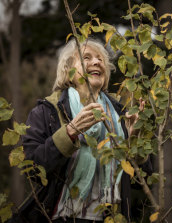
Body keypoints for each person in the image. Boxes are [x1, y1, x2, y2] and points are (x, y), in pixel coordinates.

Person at [13, 38, 150, 223]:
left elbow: (143, 182)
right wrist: (70, 132)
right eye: (86, 57)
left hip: (111, 218)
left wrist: (134, 144)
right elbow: (33, 169)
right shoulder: (47, 112)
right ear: (68, 72)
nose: (96, 62)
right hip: (60, 217)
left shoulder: (121, 116)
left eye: (100, 59)